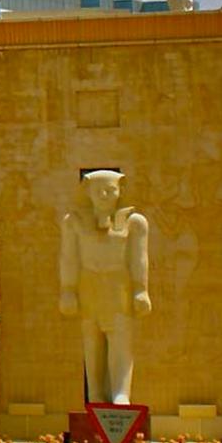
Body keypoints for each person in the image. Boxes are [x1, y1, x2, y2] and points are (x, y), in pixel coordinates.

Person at [59, 170, 151, 405]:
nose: (103, 196)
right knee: (92, 341)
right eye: (98, 191)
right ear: (88, 193)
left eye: (110, 190)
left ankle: (121, 393)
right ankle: (96, 393)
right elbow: (69, 258)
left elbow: (139, 258)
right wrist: (68, 290)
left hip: (119, 285)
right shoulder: (74, 222)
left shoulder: (134, 222)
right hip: (88, 284)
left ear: (120, 191)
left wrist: (141, 289)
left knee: (120, 339)